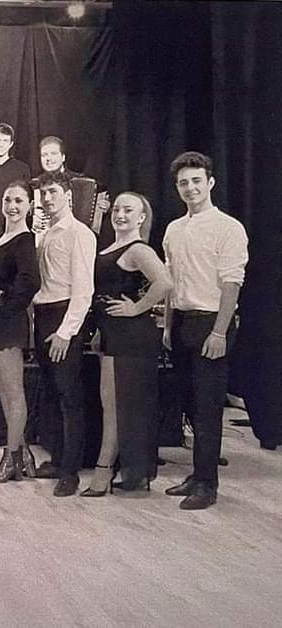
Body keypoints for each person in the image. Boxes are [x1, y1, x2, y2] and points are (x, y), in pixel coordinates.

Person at [162, 151, 248, 510]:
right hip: (182, 322)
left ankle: (207, 485)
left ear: (210, 182)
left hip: (212, 322)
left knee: (209, 408)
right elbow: (171, 282)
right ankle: (197, 474)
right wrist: (168, 326)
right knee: (190, 406)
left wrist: (219, 332)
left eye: (196, 180)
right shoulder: (173, 229)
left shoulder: (228, 227)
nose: (190, 188)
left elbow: (232, 284)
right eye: (183, 183)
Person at [82, 191, 172, 496]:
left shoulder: (138, 249)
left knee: (116, 407)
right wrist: (100, 332)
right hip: (113, 333)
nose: (120, 215)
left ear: (141, 217)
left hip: (131, 336)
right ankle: (119, 470)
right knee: (113, 405)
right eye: (117, 209)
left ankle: (103, 471)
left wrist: (136, 308)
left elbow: (165, 282)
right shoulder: (112, 247)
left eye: (128, 210)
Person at [31, 170, 97, 497]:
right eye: (43, 193)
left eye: (53, 192)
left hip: (63, 317)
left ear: (68, 195)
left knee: (70, 397)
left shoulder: (79, 234)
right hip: (44, 315)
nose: (47, 198)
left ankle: (70, 472)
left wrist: (65, 332)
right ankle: (57, 460)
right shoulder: (44, 234)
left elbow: (84, 291)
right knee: (51, 394)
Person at [0, 181, 42, 483]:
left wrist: (5, 301)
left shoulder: (25, 240)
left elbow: (31, 281)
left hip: (8, 323)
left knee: (13, 391)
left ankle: (10, 459)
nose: (13, 206)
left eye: (19, 200)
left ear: (29, 206)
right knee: (2, 389)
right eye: (8, 200)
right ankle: (24, 454)